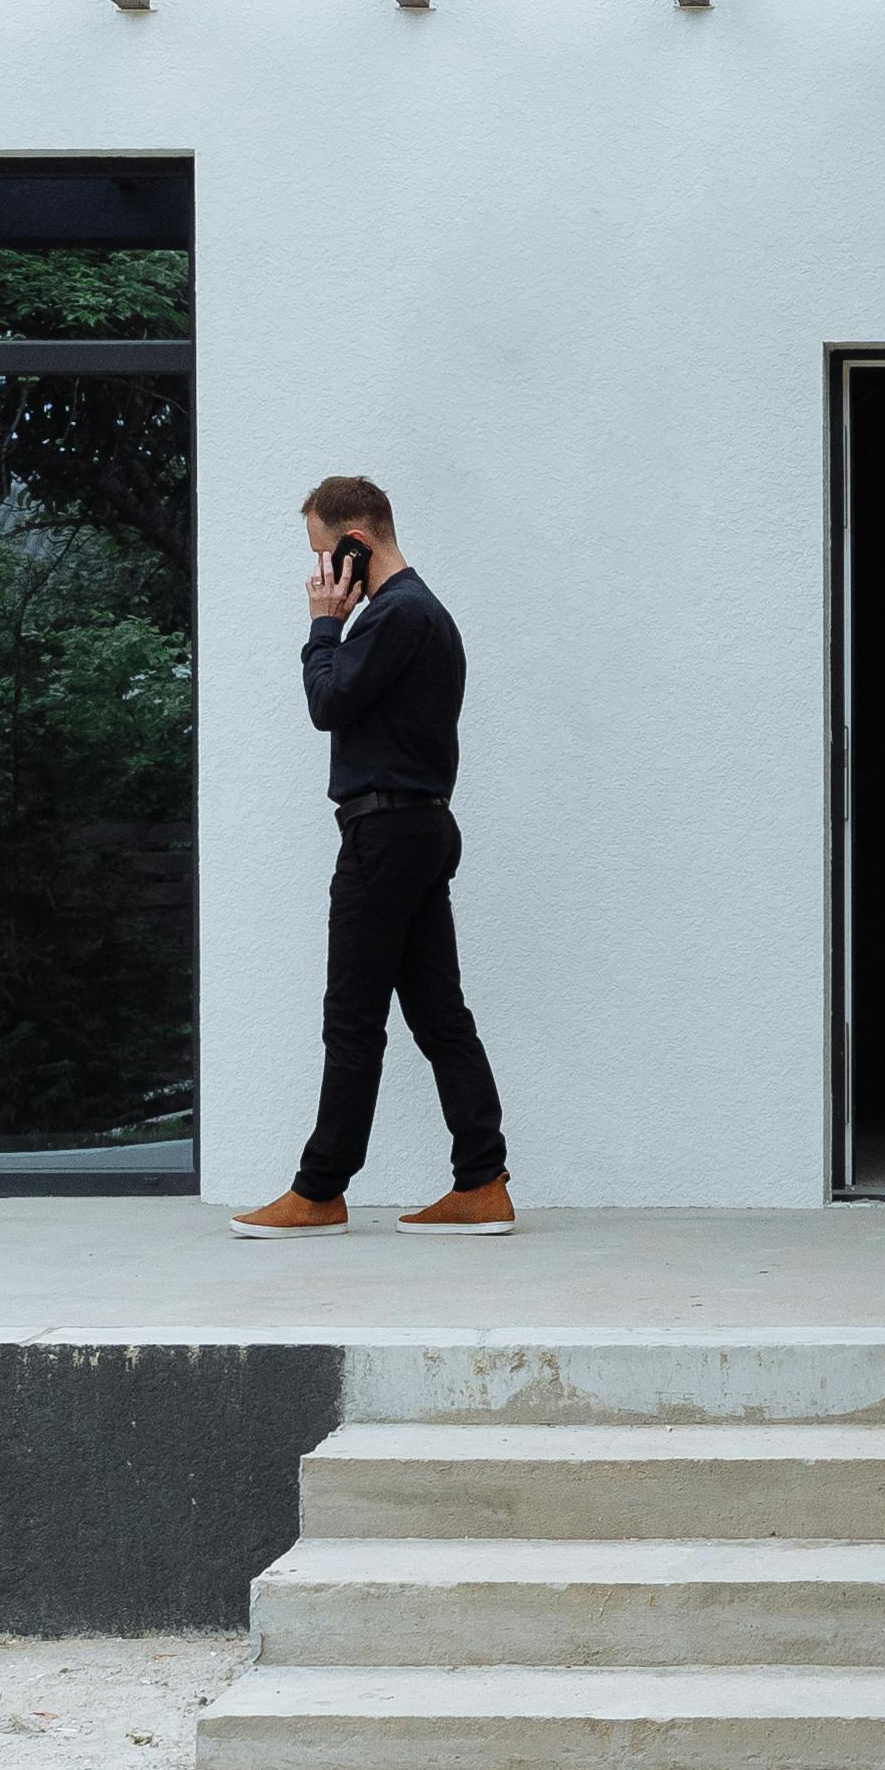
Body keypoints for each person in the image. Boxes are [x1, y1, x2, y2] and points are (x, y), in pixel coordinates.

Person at [230, 477, 516, 1234]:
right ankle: (482, 1180)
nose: (319, 576)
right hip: (416, 830)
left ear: (356, 542)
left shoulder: (397, 615)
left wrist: (324, 625)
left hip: (385, 836)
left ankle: (320, 1189)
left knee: (353, 1017)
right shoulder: (420, 613)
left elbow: (328, 703)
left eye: (325, 556)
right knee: (438, 1013)